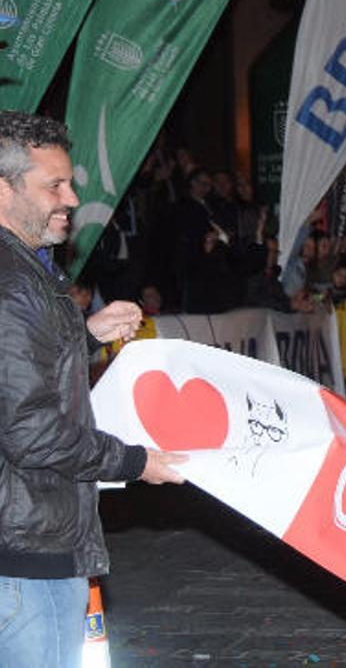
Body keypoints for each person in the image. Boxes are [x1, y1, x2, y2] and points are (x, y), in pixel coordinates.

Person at [0, 110, 186, 666]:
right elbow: (28, 430)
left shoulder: (24, 271)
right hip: (25, 549)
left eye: (71, 182)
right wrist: (133, 461)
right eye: (53, 185)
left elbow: (18, 374)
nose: (72, 198)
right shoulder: (12, 283)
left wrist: (83, 336)